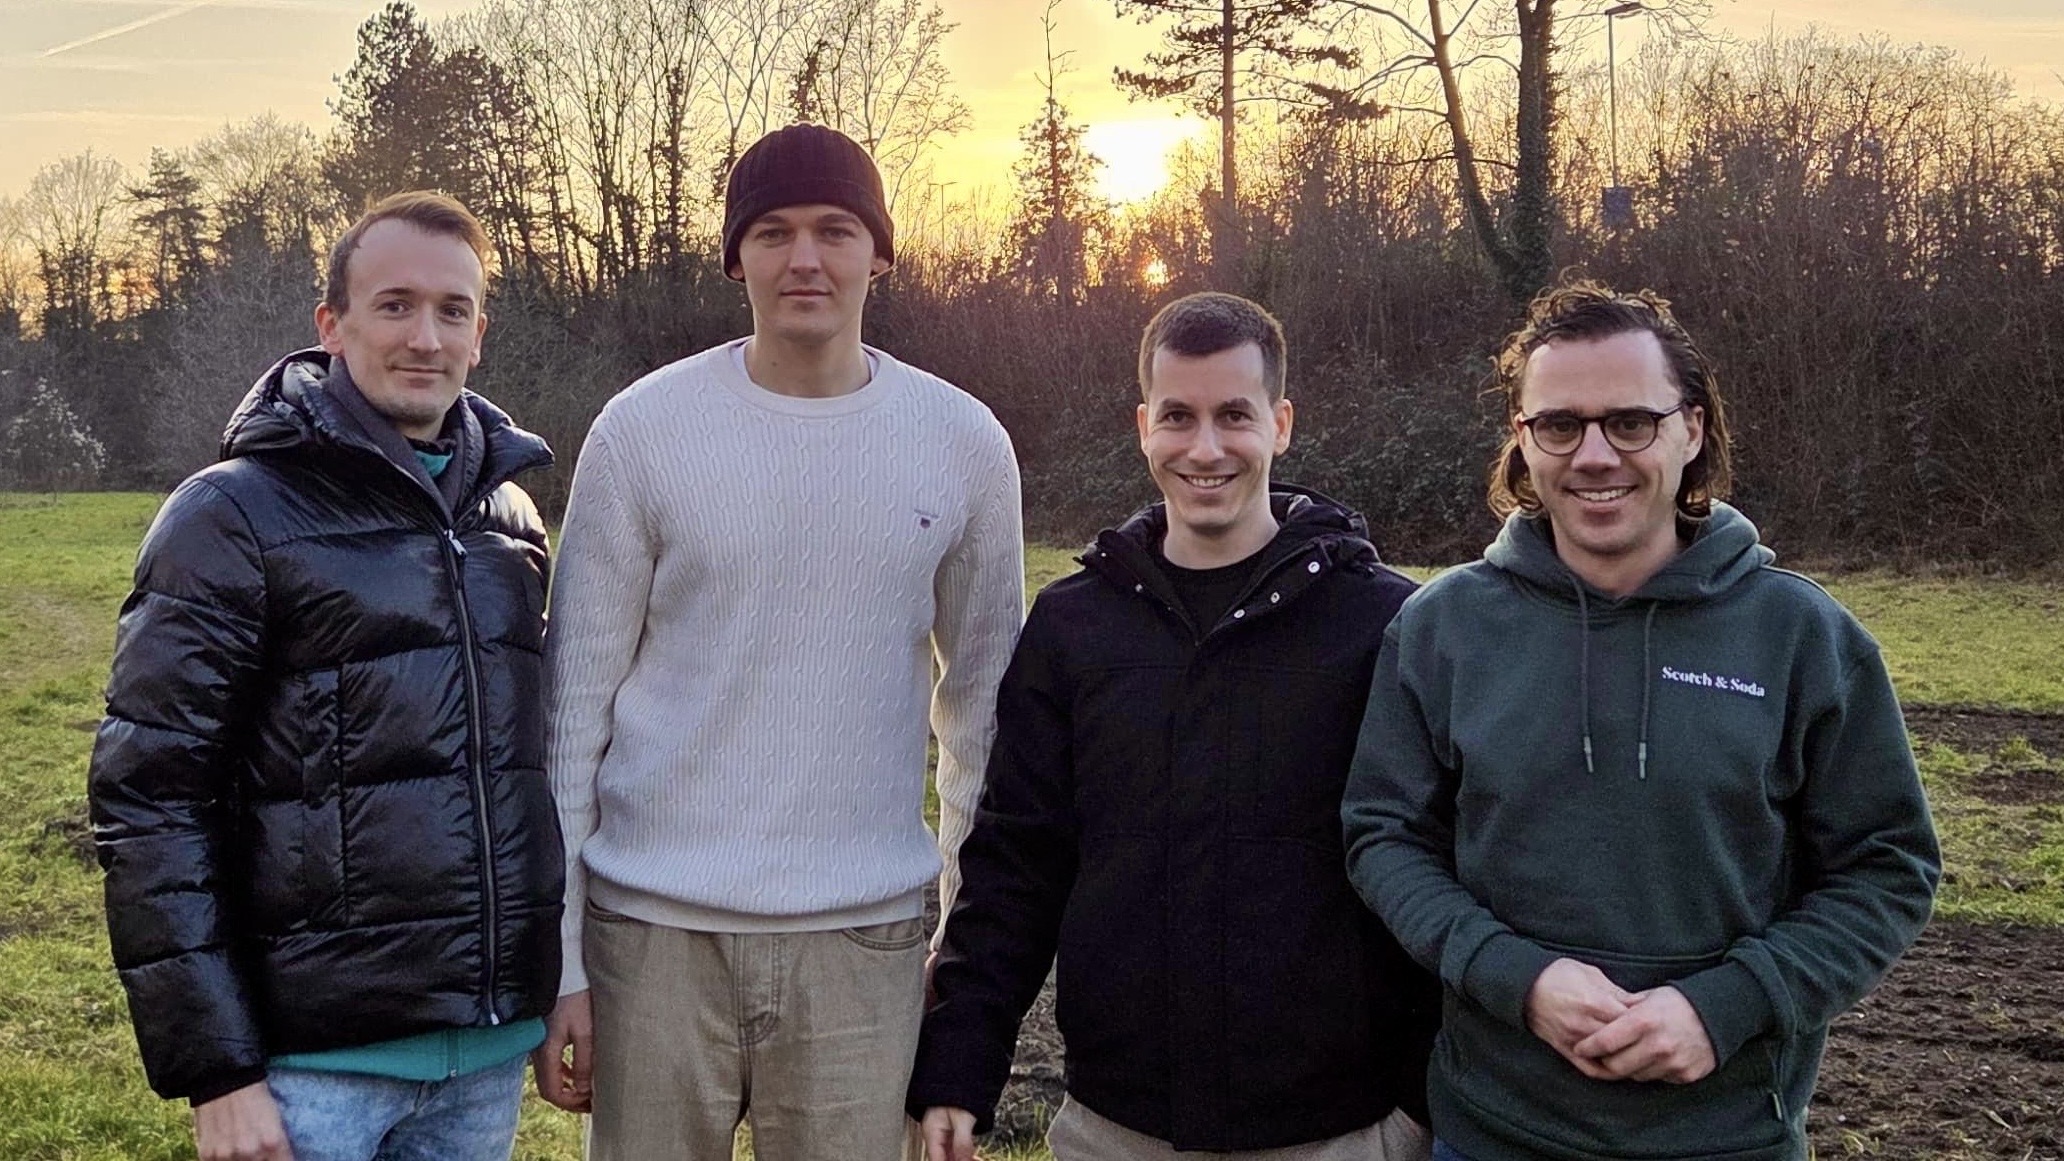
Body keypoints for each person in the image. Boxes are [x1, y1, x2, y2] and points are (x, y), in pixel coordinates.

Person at [1341, 279, 1942, 1161]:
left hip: (1730, 1137)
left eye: (1630, 421)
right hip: (1493, 1132)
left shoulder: (1803, 637)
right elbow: (1381, 835)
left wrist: (1728, 1004)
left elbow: (1888, 867)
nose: (1594, 455)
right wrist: (1519, 976)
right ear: (1522, 438)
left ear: (1690, 429)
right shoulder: (1443, 628)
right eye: (1560, 425)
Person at [535, 123, 1024, 1160]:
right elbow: (571, 717)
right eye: (773, 232)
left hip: (863, 945)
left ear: (879, 253)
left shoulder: (964, 444)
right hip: (652, 941)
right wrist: (565, 956)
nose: (806, 258)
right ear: (736, 257)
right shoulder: (643, 431)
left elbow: (984, 718)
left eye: (836, 230)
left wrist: (961, 937)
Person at [909, 292, 1437, 1161]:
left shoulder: (1384, 624)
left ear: (1282, 421)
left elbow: (1429, 861)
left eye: (1235, 414)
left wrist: (1417, 1105)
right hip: (1116, 1127)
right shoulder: (1076, 626)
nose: (1206, 447)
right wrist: (960, 1068)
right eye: (1179, 417)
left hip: (1339, 1130)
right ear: (1143, 424)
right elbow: (1016, 862)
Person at [89, 191, 562, 1161]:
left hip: (483, 1060)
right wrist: (217, 1069)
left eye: (451, 309)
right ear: (332, 326)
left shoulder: (510, 521)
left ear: (481, 333)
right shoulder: (230, 516)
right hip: (312, 1069)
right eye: (393, 305)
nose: (424, 336)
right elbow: (150, 797)